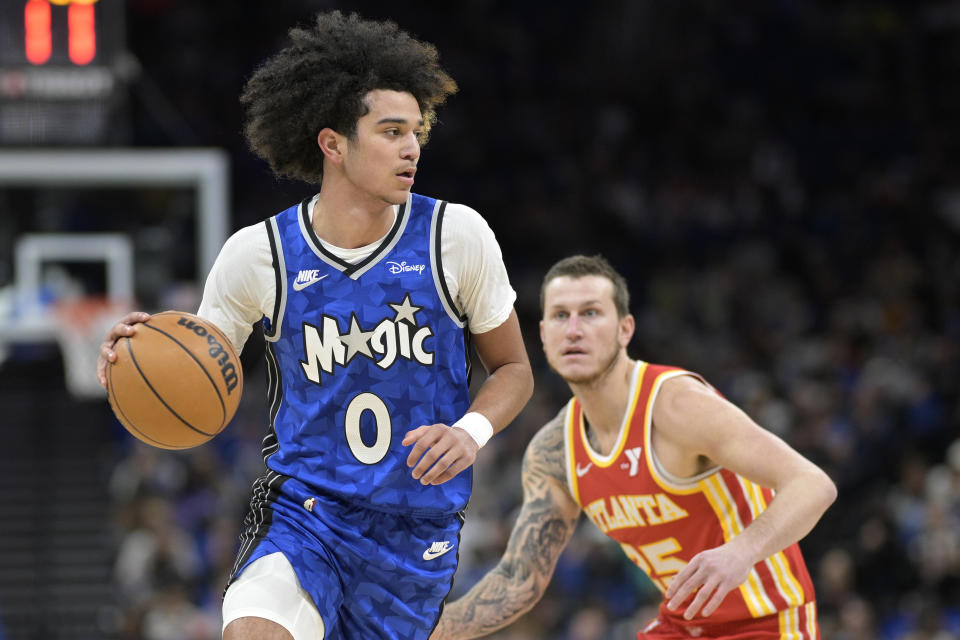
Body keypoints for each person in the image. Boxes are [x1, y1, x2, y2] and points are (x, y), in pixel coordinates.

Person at [96, 11, 533, 640]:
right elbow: (196, 368)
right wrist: (133, 359)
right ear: (333, 143)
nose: (411, 147)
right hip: (307, 515)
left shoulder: (454, 236)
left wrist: (471, 431)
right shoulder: (260, 254)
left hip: (415, 532)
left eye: (416, 131)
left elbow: (514, 369)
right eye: (389, 131)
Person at [433, 254, 837, 640]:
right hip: (681, 627)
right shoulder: (553, 452)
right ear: (543, 335)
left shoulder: (676, 406)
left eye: (590, 313)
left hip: (766, 622)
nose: (573, 329)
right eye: (560, 315)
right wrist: (412, 630)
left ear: (625, 329)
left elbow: (813, 484)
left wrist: (740, 553)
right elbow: (517, 582)